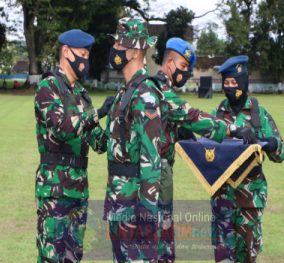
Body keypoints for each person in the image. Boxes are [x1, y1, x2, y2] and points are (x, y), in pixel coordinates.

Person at [149, 38, 257, 263]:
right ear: (170, 63)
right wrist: (233, 129)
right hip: (154, 177)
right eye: (184, 67)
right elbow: (192, 116)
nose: (186, 73)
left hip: (154, 177)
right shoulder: (159, 91)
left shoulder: (150, 88)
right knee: (160, 245)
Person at [34, 29, 114, 263]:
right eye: (82, 54)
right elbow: (61, 128)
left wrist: (116, 118)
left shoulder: (82, 94)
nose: (85, 61)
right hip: (55, 189)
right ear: (66, 52)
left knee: (73, 257)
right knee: (51, 257)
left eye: (88, 56)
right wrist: (97, 113)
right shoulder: (48, 87)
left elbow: (99, 143)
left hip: (79, 188)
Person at [210, 55, 284, 263]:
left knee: (247, 257)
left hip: (250, 200)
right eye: (226, 83)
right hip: (222, 199)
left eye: (234, 82)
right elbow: (204, 150)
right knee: (223, 256)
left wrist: (271, 143)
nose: (230, 87)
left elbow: (281, 154)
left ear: (244, 82)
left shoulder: (259, 114)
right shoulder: (216, 114)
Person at [103, 17, 165, 262]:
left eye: (119, 44)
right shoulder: (126, 92)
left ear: (134, 50)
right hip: (120, 202)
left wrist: (147, 216)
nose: (114, 50)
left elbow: (151, 160)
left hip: (135, 208)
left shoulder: (145, 95)